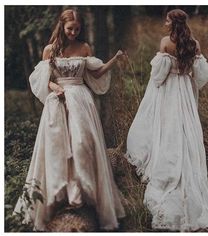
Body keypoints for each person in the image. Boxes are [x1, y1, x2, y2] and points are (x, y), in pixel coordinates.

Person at [14, 9, 125, 231]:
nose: (73, 32)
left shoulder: (84, 48)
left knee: (83, 144)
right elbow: (42, 79)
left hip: (82, 101)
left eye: (77, 29)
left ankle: (83, 194)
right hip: (58, 101)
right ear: (62, 27)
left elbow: (95, 73)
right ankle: (59, 195)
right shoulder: (50, 49)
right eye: (69, 29)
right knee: (57, 147)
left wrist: (115, 59)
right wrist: (55, 87)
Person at [125, 9, 208, 231]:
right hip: (185, 90)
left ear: (172, 22)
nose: (164, 23)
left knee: (168, 129)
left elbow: (158, 77)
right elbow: (201, 75)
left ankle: (166, 168)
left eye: (167, 19)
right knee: (185, 129)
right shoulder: (193, 44)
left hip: (169, 92)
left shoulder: (166, 42)